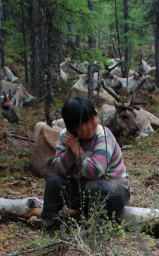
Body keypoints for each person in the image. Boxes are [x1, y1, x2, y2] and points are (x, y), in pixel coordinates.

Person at [40, 98, 130, 230]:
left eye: (92, 118)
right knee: (54, 182)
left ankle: (94, 228)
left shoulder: (103, 135)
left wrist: (77, 149)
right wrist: (71, 149)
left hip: (115, 192)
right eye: (84, 124)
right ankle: (50, 223)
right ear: (72, 128)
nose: (91, 126)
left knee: (92, 185)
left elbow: (96, 172)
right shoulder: (65, 136)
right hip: (84, 192)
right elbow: (58, 170)